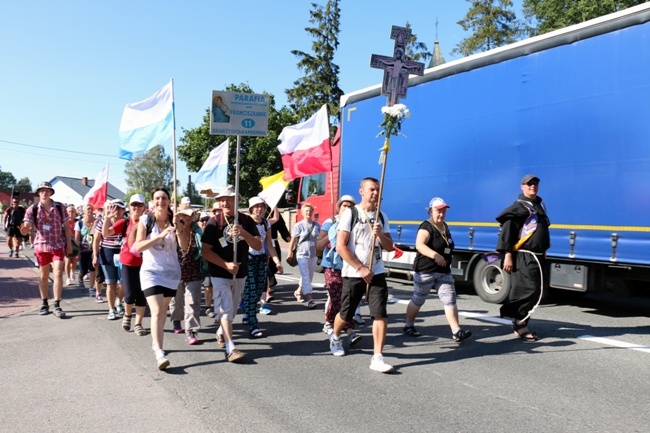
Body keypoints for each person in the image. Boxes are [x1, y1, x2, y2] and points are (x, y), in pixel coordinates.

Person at [328, 177, 395, 373]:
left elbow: (389, 246)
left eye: (378, 190)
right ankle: (336, 336)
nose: (375, 193)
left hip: (377, 271)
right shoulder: (351, 213)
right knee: (346, 313)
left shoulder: (382, 216)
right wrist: (360, 268)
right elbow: (340, 246)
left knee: (380, 314)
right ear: (362, 192)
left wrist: (380, 234)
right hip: (354, 272)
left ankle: (377, 357)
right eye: (372, 189)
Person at [201, 185, 262, 363]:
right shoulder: (214, 222)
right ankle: (231, 348)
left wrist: (243, 233)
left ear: (237, 200)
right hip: (219, 273)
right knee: (226, 309)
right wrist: (225, 264)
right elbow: (205, 251)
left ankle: (221, 332)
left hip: (240, 272)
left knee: (232, 309)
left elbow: (258, 245)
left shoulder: (246, 221)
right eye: (222, 199)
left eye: (229, 199)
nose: (225, 202)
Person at [403, 197, 472, 342]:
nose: (441, 214)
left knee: (450, 300)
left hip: (443, 272)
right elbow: (419, 245)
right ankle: (408, 325)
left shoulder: (444, 226)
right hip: (425, 271)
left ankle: (456, 331)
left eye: (443, 211)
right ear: (430, 211)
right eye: (438, 211)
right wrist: (436, 256)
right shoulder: (426, 227)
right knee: (418, 299)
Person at [496, 174, 551, 341]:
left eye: (535, 183)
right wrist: (508, 256)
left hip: (538, 256)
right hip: (524, 256)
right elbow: (507, 233)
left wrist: (544, 249)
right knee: (529, 290)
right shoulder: (519, 207)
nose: (532, 186)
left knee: (538, 292)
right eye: (529, 184)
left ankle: (522, 322)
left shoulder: (539, 205)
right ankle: (520, 324)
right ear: (522, 187)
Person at [135, 187, 182, 370]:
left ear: (169, 201)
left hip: (171, 273)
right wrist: (160, 236)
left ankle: (156, 342)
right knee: (156, 311)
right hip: (151, 272)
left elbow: (184, 247)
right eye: (157, 198)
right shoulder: (146, 220)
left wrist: (180, 230)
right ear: (152, 202)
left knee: (162, 312)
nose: (160, 201)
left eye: (164, 198)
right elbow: (139, 246)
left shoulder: (175, 220)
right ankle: (159, 353)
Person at [20, 181, 72, 318]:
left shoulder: (60, 207)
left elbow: (66, 227)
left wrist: (70, 244)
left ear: (51, 192)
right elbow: (26, 228)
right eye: (42, 190)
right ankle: (44, 303)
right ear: (38, 193)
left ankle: (57, 304)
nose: (45, 193)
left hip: (57, 244)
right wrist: (25, 229)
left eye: (47, 190)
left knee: (58, 273)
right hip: (41, 245)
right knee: (43, 275)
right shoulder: (33, 208)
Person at [318, 195, 360, 345]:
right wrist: (333, 235)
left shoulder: (356, 223)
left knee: (346, 299)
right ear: (338, 207)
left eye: (350, 206)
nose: (347, 208)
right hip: (332, 266)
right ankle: (350, 331)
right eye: (344, 205)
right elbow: (318, 246)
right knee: (338, 299)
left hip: (349, 267)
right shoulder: (330, 223)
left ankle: (329, 321)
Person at [104, 194, 147, 336]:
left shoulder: (149, 222)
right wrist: (106, 218)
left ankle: (138, 324)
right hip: (127, 262)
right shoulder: (125, 222)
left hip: (145, 263)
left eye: (140, 205)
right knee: (129, 294)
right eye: (134, 205)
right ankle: (127, 315)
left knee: (141, 295)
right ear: (130, 207)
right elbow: (106, 233)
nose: (136, 208)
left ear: (144, 207)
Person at [242, 196, 283, 338]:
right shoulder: (246, 222)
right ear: (251, 208)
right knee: (251, 291)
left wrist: (277, 261)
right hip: (248, 260)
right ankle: (253, 324)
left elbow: (269, 245)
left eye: (262, 206)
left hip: (262, 260)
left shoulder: (266, 224)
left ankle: (248, 313)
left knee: (260, 290)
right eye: (256, 206)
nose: (259, 209)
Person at [169, 206, 205, 345]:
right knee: (176, 300)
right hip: (176, 271)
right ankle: (177, 320)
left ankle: (191, 331)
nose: (187, 218)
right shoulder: (172, 230)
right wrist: (177, 229)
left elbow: (203, 248)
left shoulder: (198, 231)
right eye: (184, 215)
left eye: (189, 215)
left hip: (194, 270)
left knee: (193, 301)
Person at [286, 203, 320, 308]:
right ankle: (309, 298)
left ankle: (298, 291)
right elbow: (293, 241)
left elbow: (320, 238)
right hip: (302, 254)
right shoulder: (298, 225)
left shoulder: (317, 225)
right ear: (302, 213)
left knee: (309, 277)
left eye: (310, 211)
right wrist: (290, 253)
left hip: (313, 254)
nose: (308, 213)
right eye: (306, 211)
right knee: (305, 276)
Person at [97, 199, 127, 320]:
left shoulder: (126, 222)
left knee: (124, 282)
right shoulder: (103, 221)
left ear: (123, 210)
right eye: (114, 208)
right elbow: (100, 237)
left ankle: (119, 301)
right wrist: (95, 254)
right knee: (111, 283)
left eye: (119, 208)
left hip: (123, 254)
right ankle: (111, 309)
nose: (116, 211)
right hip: (107, 253)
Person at [266, 208, 291, 303]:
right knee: (266, 265)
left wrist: (286, 235)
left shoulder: (273, 211)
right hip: (263, 243)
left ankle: (268, 285)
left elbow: (281, 225)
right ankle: (267, 288)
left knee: (275, 261)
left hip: (274, 242)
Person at [75, 203, 96, 294]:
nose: (90, 210)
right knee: (83, 270)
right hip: (83, 250)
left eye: (91, 209)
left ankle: (91, 288)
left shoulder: (96, 222)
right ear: (83, 211)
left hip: (93, 250)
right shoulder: (79, 223)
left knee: (92, 269)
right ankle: (80, 279)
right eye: (88, 209)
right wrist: (77, 251)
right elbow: (77, 238)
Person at [197, 211, 214, 317]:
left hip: (208, 264)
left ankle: (208, 307)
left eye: (206, 220)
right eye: (202, 220)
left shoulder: (214, 232)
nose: (204, 222)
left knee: (208, 286)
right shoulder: (195, 232)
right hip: (195, 264)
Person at [64, 204, 79, 285]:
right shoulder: (65, 222)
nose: (71, 213)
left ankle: (72, 271)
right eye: (69, 211)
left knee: (74, 260)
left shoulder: (77, 222)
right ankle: (68, 278)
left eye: (73, 211)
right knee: (67, 260)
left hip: (75, 243)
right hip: (67, 243)